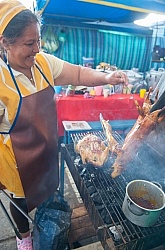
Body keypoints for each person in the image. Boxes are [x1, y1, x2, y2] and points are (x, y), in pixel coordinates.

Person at [0, 1, 128, 249]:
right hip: (16, 158)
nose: (36, 49)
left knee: (47, 190)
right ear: (5, 42)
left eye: (38, 41)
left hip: (46, 148)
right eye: (29, 43)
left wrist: (107, 77)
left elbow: (79, 74)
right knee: (20, 200)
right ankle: (24, 240)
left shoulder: (44, 63)